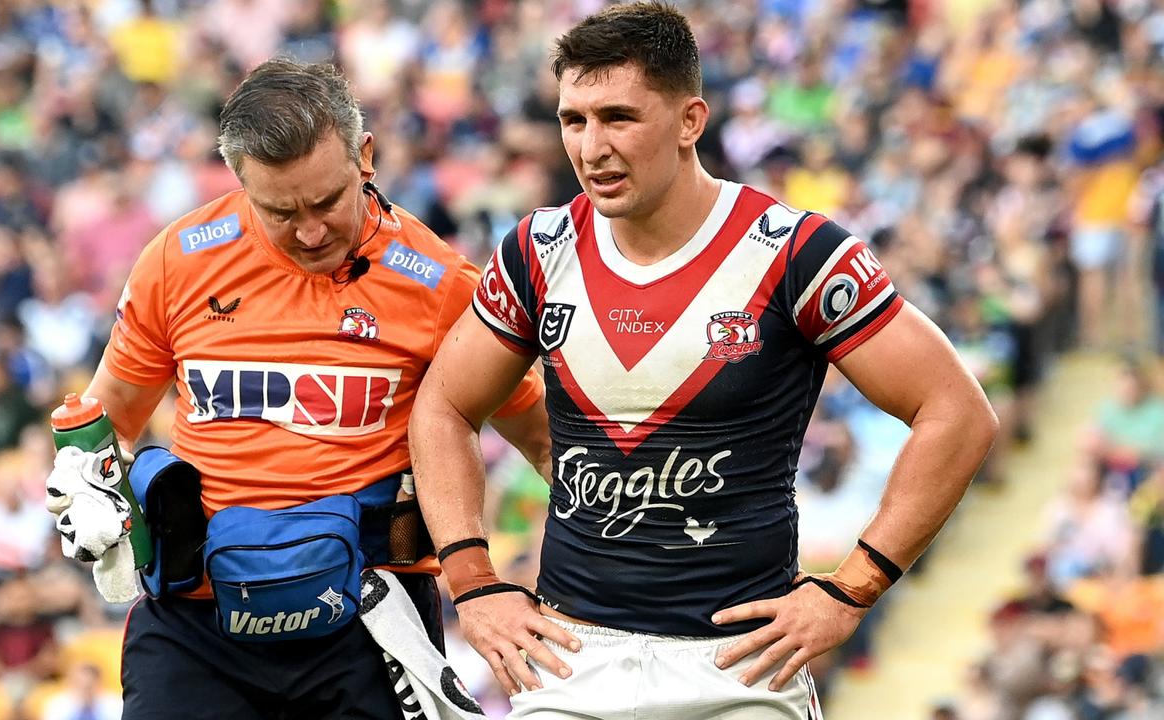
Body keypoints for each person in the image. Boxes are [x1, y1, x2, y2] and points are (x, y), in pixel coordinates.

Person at [409, 3, 998, 718]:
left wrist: (851, 590)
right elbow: (443, 404)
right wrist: (473, 582)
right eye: (574, 120)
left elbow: (958, 411)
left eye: (619, 117)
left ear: (690, 121)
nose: (591, 147)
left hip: (739, 671)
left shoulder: (793, 253)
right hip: (568, 661)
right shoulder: (537, 251)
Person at [44, 58, 548, 719]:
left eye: (326, 202)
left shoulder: (441, 284)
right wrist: (86, 486)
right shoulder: (177, 261)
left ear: (365, 157)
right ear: (238, 178)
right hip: (198, 624)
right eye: (280, 211)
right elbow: (108, 423)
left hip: (369, 619)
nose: (310, 232)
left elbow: (546, 441)